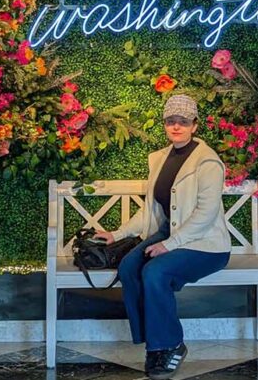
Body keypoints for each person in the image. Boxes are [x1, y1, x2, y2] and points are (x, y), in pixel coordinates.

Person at [94, 94, 232, 379]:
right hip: (170, 234)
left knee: (155, 271)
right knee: (129, 267)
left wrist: (169, 245)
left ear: (195, 125)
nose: (176, 126)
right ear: (165, 124)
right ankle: (155, 344)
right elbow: (150, 210)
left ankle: (169, 345)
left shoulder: (208, 161)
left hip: (206, 244)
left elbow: (206, 215)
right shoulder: (159, 159)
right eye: (171, 121)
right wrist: (116, 234)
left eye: (183, 121)